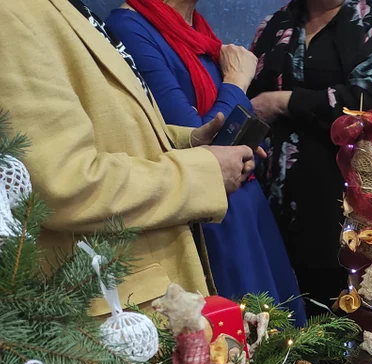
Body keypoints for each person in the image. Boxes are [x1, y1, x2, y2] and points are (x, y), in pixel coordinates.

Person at [0, 0, 254, 312]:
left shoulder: (63, 9)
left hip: (147, 293)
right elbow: (64, 184)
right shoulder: (12, 15)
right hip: (116, 314)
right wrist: (205, 170)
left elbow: (112, 128)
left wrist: (188, 140)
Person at [105, 0, 306, 324]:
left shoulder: (197, 30)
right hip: (212, 218)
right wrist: (238, 81)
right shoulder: (130, 27)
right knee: (242, 346)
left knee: (286, 342)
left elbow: (230, 131)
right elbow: (197, 139)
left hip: (245, 203)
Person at [248, 0, 372, 315]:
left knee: (364, 321)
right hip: (281, 208)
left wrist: (285, 102)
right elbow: (251, 100)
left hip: (355, 206)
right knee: (291, 323)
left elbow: (369, 102)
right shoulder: (273, 26)